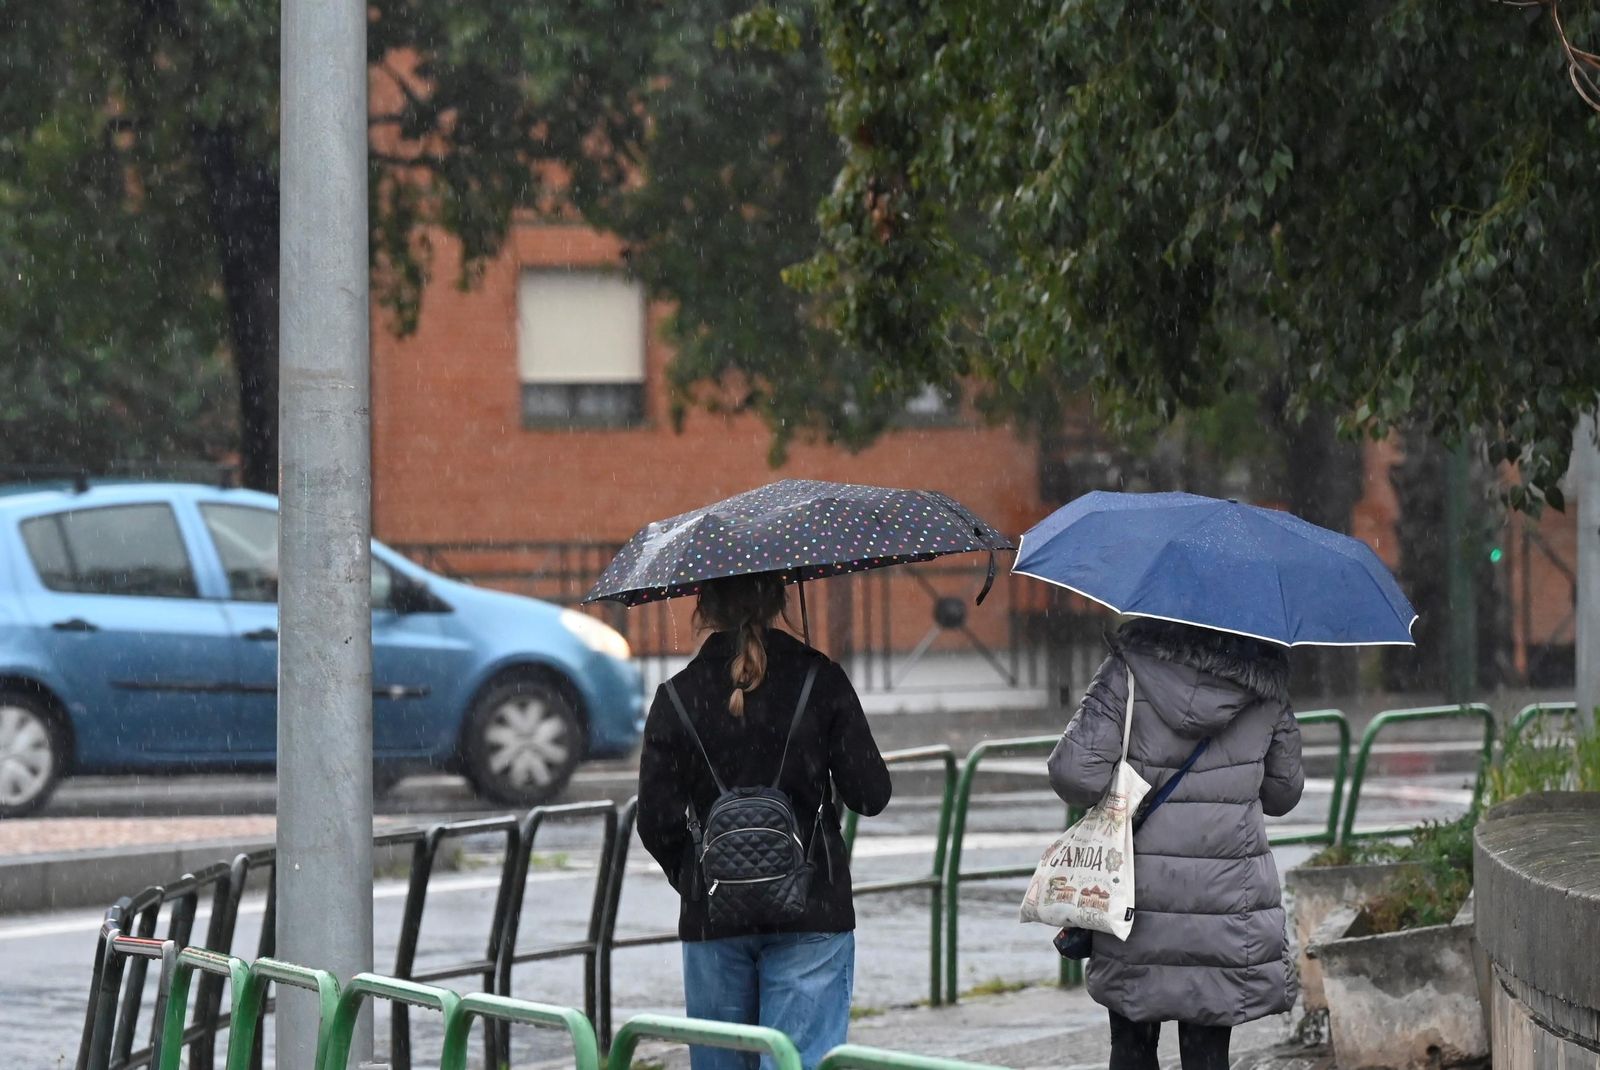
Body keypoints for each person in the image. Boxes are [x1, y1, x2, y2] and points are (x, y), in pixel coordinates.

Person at [637, 572, 892, 1070]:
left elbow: (656, 821)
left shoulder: (675, 697)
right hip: (813, 912)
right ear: (780, 600)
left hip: (713, 923)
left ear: (703, 606)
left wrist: (703, 880)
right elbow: (871, 794)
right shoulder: (820, 680)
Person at [1047, 617, 1305, 1070]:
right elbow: (1283, 794)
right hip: (1227, 902)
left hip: (1136, 898)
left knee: (1131, 1048)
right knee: (1208, 1056)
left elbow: (1075, 774)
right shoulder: (1264, 686)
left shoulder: (1126, 672)